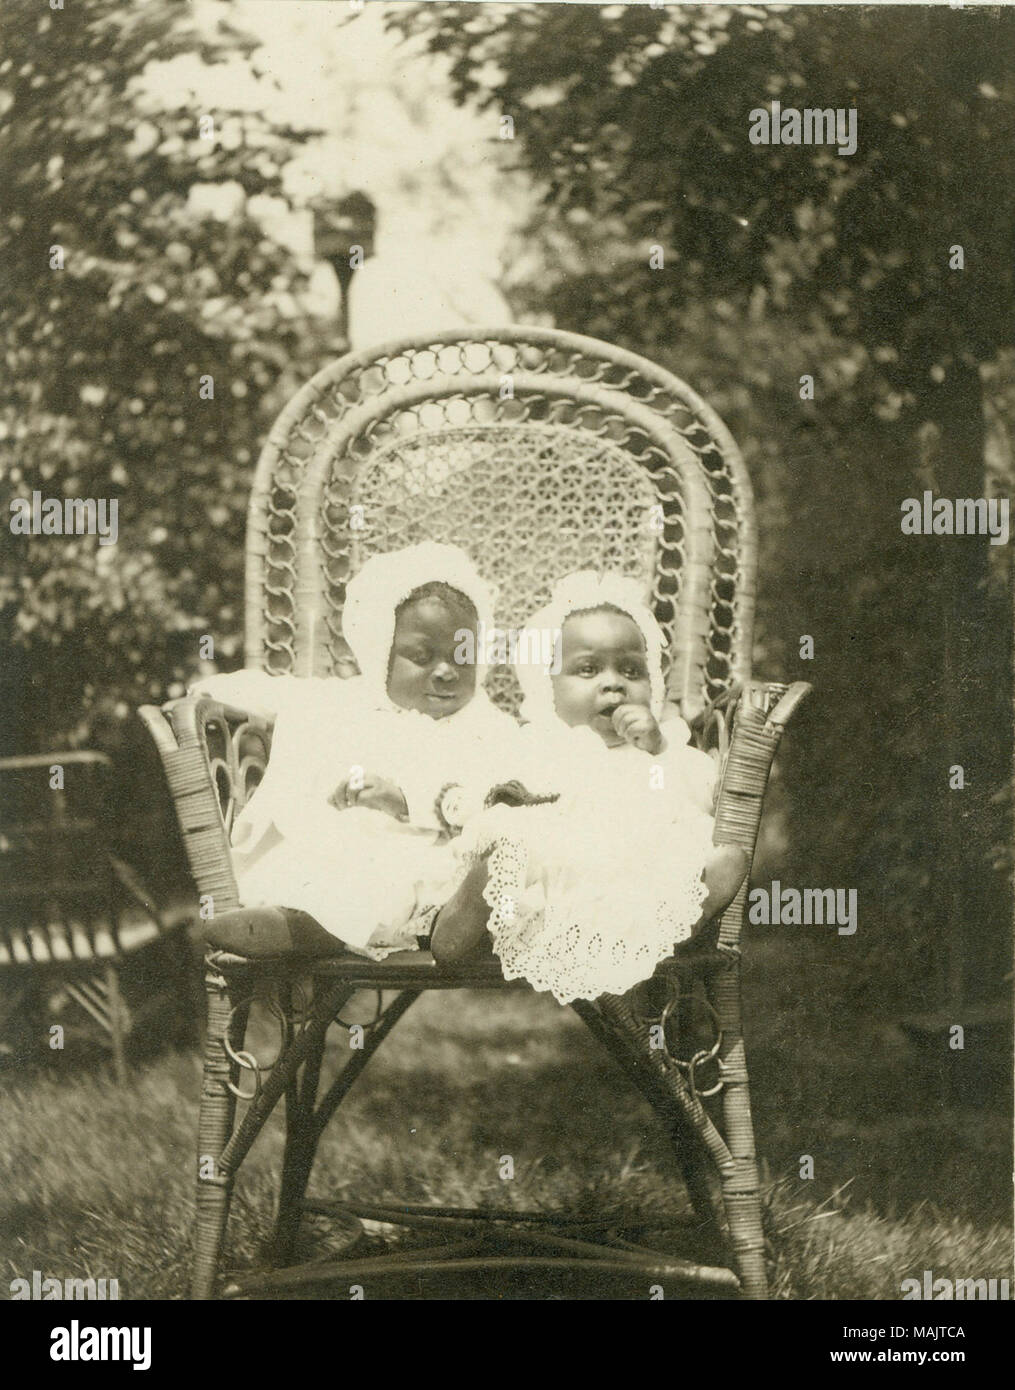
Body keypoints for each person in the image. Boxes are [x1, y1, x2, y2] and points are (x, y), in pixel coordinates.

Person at [430, 571, 749, 1003]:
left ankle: (682, 920)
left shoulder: (661, 747)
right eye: (588, 669)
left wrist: (656, 750)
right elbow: (493, 788)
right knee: (511, 852)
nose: (613, 682)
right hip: (550, 869)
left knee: (698, 857)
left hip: (630, 873)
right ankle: (464, 921)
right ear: (549, 688)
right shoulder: (540, 740)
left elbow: (697, 798)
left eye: (631, 670)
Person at [191, 543, 521, 958]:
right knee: (325, 872)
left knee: (422, 876)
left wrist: (406, 799)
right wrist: (206, 691)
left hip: (437, 853)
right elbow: (278, 692)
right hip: (355, 849)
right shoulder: (351, 704)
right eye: (421, 656)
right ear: (383, 653)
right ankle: (289, 927)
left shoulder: (483, 725)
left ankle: (456, 922)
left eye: (462, 656)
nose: (446, 670)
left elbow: (498, 793)